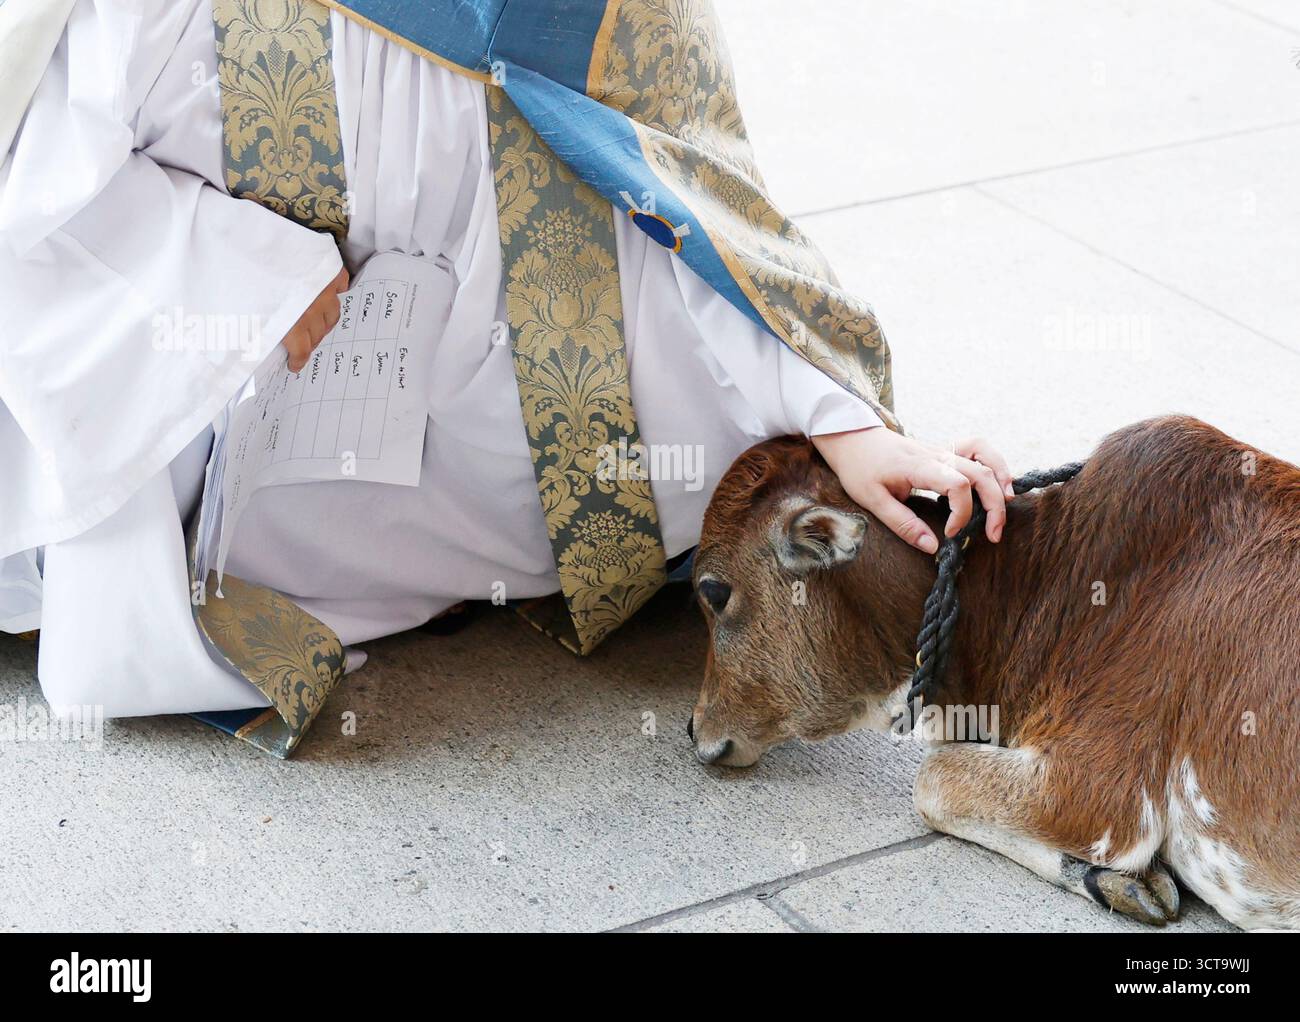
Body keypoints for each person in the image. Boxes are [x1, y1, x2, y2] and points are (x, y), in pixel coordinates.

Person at [0, 0, 1012, 735]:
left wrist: (837, 412)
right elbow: (37, 194)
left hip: (561, 390)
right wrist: (243, 273)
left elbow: (669, 163)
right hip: (256, 434)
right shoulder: (133, 31)